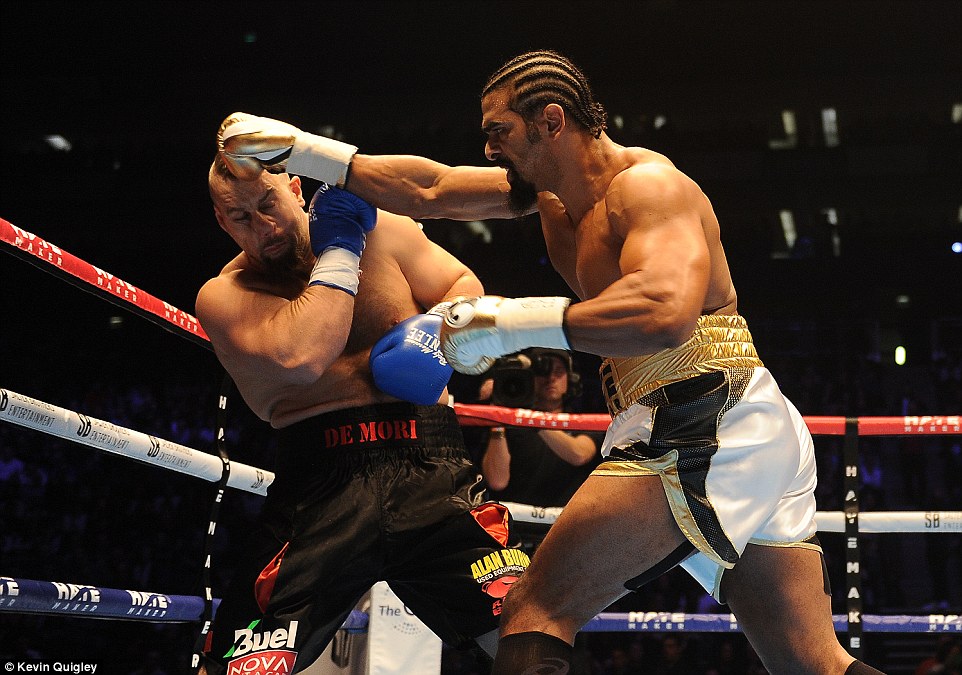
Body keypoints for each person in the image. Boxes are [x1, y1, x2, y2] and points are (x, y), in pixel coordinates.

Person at [216, 50, 882, 674]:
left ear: (551, 122)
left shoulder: (648, 187)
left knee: (534, 608)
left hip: (704, 412)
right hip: (720, 417)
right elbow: (431, 188)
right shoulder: (552, 197)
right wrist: (302, 150)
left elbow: (664, 311)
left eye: (499, 131)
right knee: (814, 664)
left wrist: (505, 324)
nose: (488, 148)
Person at [195, 141, 531, 674]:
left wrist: (436, 328)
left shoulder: (386, 232)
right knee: (234, 664)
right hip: (319, 486)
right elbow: (304, 354)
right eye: (240, 217)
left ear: (295, 188)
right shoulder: (224, 295)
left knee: (530, 633)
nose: (262, 225)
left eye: (267, 203)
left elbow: (462, 284)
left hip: (431, 463)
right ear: (220, 220)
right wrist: (340, 249)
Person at [480, 348, 601, 554]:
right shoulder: (510, 425)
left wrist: (533, 418)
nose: (550, 378)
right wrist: (497, 414)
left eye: (558, 371)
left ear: (570, 379)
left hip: (566, 533)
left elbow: (579, 454)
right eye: (542, 370)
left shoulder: (583, 423)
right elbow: (497, 481)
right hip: (514, 533)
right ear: (530, 378)